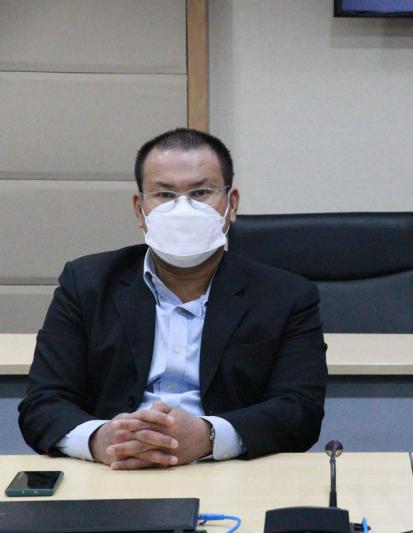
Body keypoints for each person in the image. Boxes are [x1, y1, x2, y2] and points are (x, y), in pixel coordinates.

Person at [19, 128, 327, 469]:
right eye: (164, 195)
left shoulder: (285, 295)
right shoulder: (86, 284)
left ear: (232, 204)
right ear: (139, 209)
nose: (183, 209)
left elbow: (301, 411)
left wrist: (209, 436)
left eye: (201, 193)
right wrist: (100, 439)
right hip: (113, 471)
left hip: (228, 471)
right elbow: (42, 404)